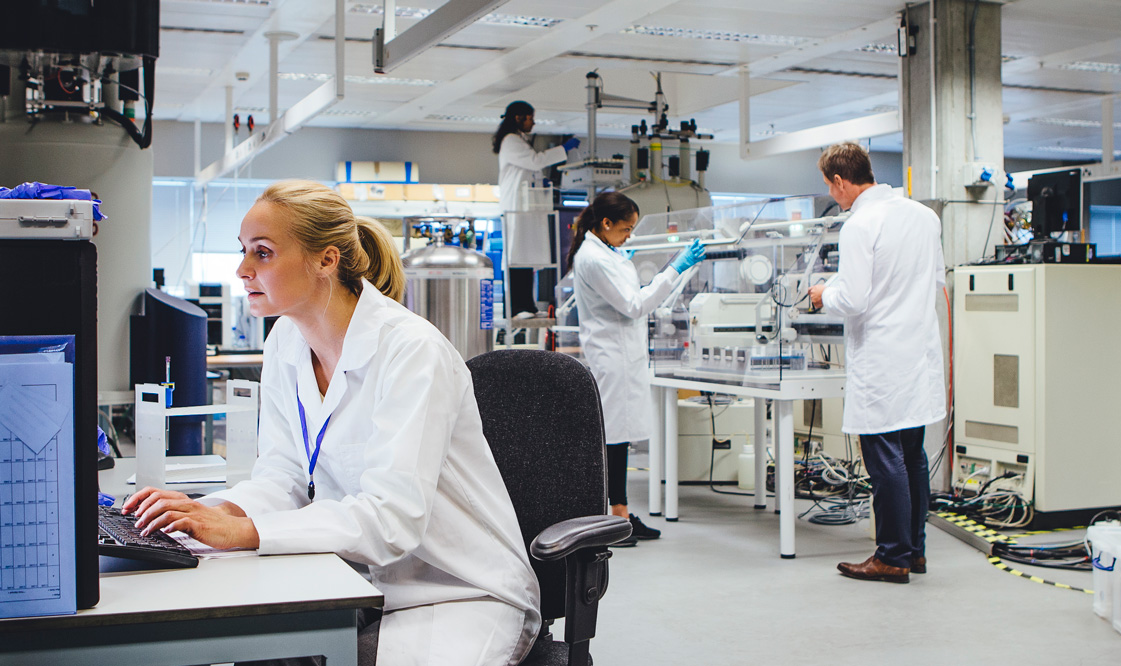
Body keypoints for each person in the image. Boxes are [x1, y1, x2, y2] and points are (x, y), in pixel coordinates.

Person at [122, 180, 541, 665]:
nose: (242, 270)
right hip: (356, 579)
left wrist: (244, 533)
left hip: (458, 590)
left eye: (262, 253)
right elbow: (283, 479)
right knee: (259, 652)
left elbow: (392, 518)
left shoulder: (411, 352)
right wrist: (210, 514)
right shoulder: (285, 341)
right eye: (243, 251)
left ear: (326, 260)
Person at [807, 142, 946, 584]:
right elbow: (938, 283)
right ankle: (915, 550)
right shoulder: (924, 216)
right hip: (919, 355)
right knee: (912, 455)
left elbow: (853, 299)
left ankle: (891, 556)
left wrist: (822, 293)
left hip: (883, 359)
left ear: (840, 182)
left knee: (885, 460)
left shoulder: (860, 223)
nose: (834, 196)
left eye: (832, 188)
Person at [567, 191, 705, 546]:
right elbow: (633, 304)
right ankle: (615, 518)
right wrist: (675, 268)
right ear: (606, 224)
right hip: (612, 359)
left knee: (620, 438)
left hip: (623, 356)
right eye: (625, 229)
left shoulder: (606, 252)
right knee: (613, 439)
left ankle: (621, 514)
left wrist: (624, 259)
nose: (629, 235)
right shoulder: (593, 259)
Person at [493, 100, 580, 319]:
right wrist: (563, 149)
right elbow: (535, 161)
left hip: (527, 208)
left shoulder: (519, 140)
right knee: (517, 258)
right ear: (518, 118)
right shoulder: (511, 140)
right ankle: (516, 308)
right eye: (530, 118)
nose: (533, 122)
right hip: (517, 208)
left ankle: (527, 306)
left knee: (526, 259)